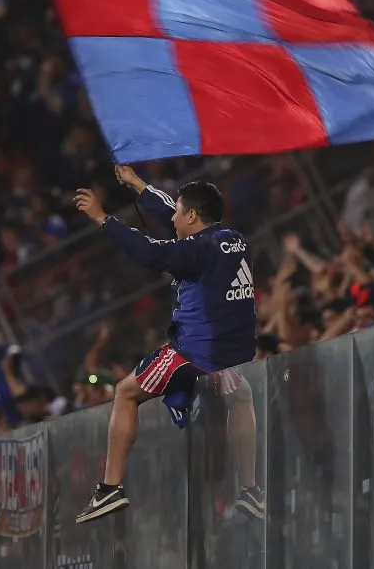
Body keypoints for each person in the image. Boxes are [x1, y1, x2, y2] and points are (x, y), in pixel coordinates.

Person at [71, 165, 264, 524]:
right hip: (233, 356)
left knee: (125, 392)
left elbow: (151, 253)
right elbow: (170, 217)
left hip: (195, 353)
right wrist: (139, 185)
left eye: (179, 211)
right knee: (242, 396)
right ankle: (251, 489)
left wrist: (102, 218)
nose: (173, 217)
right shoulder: (234, 240)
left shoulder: (196, 250)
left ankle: (109, 488)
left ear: (192, 215)